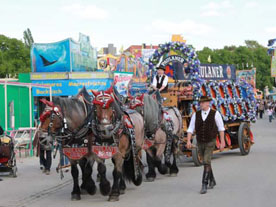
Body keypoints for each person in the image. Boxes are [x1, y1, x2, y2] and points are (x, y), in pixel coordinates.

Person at [186, 95, 225, 194]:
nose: (201, 104)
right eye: (200, 103)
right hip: (200, 141)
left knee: (206, 161)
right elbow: (190, 128)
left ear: (208, 103)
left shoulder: (215, 114)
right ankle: (212, 180)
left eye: (203, 102)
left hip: (210, 141)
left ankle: (204, 184)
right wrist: (188, 141)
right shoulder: (196, 114)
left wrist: (222, 142)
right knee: (205, 161)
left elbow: (221, 129)